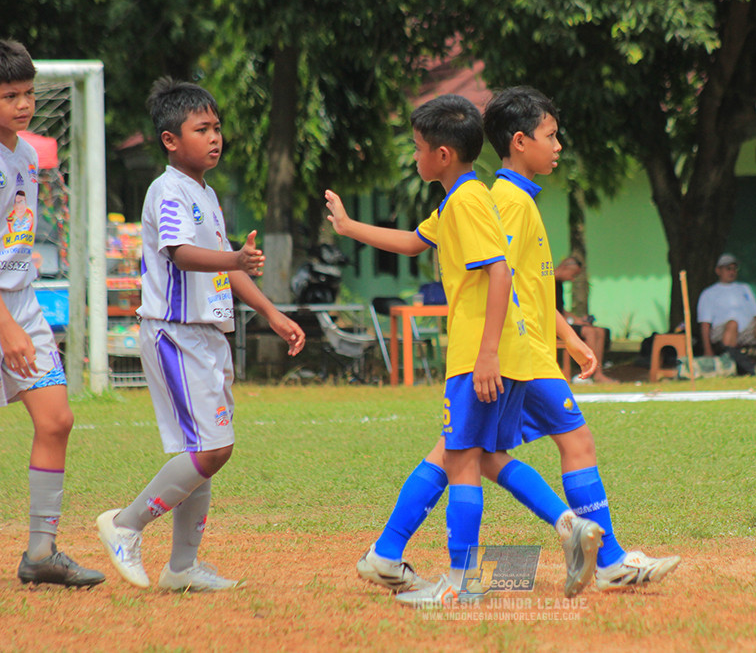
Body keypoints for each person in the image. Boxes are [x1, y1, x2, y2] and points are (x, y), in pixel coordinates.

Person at [329, 87, 680, 599]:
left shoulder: (488, 198)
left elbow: (517, 283)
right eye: (551, 135)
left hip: (505, 352)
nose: (558, 145)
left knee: (470, 454)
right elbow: (496, 277)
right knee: (471, 455)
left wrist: (567, 337)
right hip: (510, 354)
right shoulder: (499, 201)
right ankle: (558, 549)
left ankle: (408, 558)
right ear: (518, 142)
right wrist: (506, 350)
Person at [96, 77, 305, 592]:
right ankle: (125, 525)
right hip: (176, 333)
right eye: (202, 129)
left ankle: (183, 567)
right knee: (212, 450)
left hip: (208, 335)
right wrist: (233, 257)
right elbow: (181, 254)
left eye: (217, 128)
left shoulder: (205, 194)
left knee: (207, 450)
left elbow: (224, 268)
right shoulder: (168, 189)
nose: (215, 138)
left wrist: (271, 313)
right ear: (171, 140)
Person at [0, 39, 105, 588]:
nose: (23, 104)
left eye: (27, 93)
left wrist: (18, 316)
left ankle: (41, 551)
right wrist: (6, 325)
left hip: (21, 301)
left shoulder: (24, 153)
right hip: (3, 311)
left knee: (57, 419)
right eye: (9, 95)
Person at [697, 253, 756, 375]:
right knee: (732, 324)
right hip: (722, 331)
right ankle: (733, 366)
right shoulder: (709, 293)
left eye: (734, 269)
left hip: (745, 330)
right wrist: (707, 349)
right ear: (718, 271)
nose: (732, 272)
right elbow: (705, 324)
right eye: (728, 269)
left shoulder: (744, 289)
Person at [553, 256, 617, 383]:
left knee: (600, 331)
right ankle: (588, 371)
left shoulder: (559, 284)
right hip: (552, 326)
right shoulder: (547, 282)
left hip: (560, 321)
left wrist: (579, 320)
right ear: (565, 267)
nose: (572, 279)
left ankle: (598, 372)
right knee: (590, 332)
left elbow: (561, 310)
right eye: (573, 275)